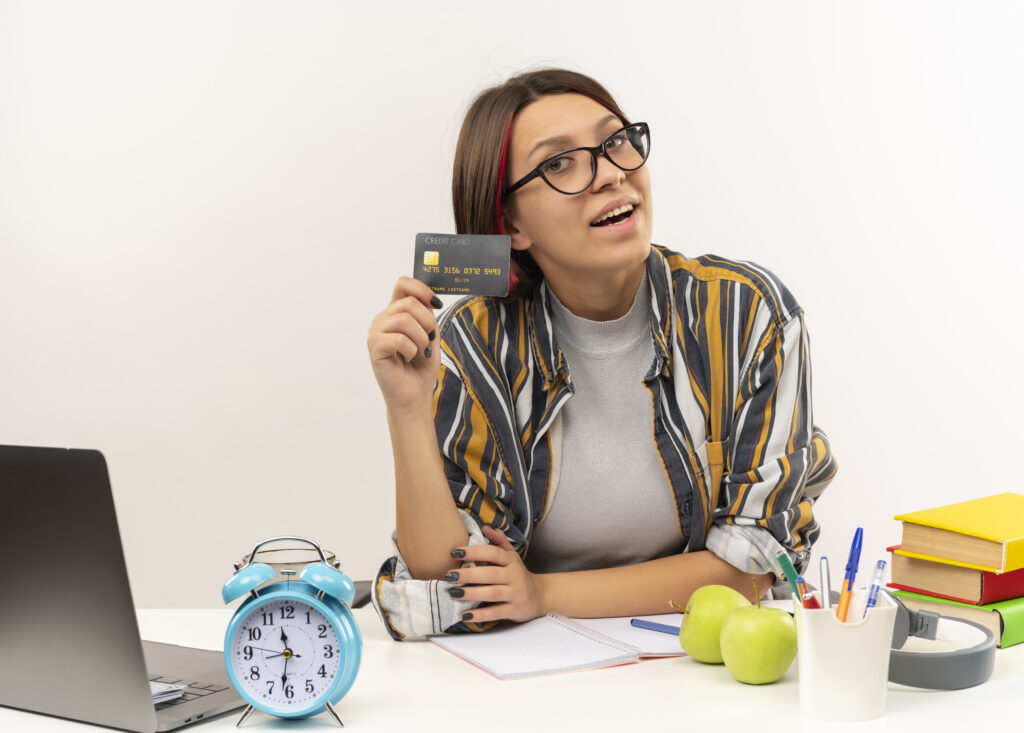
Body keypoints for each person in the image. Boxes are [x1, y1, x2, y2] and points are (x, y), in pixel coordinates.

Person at [366, 68, 836, 639]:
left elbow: (757, 567)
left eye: (615, 142)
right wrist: (408, 411)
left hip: (702, 663)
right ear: (511, 224)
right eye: (559, 163)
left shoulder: (746, 315)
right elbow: (448, 588)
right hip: (533, 669)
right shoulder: (473, 343)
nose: (612, 173)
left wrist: (541, 592)